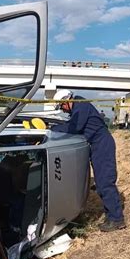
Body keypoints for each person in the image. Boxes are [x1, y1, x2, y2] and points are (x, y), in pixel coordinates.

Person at [52, 89, 125, 232]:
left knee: (105, 182)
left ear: (67, 101)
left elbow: (74, 127)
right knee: (101, 182)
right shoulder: (78, 108)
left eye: (62, 106)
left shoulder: (80, 106)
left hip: (102, 144)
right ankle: (112, 216)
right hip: (97, 145)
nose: (63, 110)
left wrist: (53, 128)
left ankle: (116, 219)